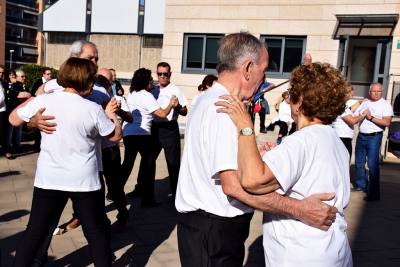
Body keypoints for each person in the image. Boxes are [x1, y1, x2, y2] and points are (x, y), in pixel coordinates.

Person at [175, 32, 338, 267]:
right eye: (263, 69)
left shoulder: (207, 98)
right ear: (248, 68)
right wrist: (301, 210)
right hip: (214, 232)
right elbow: (233, 186)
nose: (265, 77)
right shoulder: (226, 109)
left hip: (205, 229)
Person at [216, 61, 352, 266]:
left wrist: (245, 126)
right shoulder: (335, 141)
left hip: (301, 254)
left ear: (301, 100)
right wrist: (273, 159)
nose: (289, 101)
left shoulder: (301, 141)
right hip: (333, 250)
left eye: (291, 94)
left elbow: (252, 180)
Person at [10, 57, 122, 267]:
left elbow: (13, 119)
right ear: (84, 81)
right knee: (95, 232)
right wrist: (111, 114)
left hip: (49, 178)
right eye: (91, 80)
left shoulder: (45, 100)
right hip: (84, 181)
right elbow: (114, 136)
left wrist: (35, 103)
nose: (93, 84)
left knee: (35, 231)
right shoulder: (91, 108)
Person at [128, 62, 188, 202]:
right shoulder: (151, 89)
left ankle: (175, 194)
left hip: (169, 128)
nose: (162, 77)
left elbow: (184, 111)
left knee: (173, 163)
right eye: (160, 74)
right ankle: (141, 189)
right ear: (156, 74)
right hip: (153, 129)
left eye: (165, 74)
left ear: (170, 74)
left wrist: (177, 105)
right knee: (147, 161)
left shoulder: (176, 90)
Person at [353, 82, 393, 201]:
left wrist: (371, 117)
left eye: (378, 91)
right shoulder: (365, 103)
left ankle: (374, 193)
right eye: (373, 91)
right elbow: (354, 115)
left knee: (372, 165)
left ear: (382, 92)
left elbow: (387, 122)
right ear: (369, 92)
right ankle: (361, 186)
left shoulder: (385, 105)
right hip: (361, 136)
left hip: (374, 137)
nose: (376, 93)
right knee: (359, 163)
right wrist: (359, 102)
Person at [332, 84, 368, 159]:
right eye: (349, 91)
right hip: (342, 137)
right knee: (344, 161)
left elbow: (350, 110)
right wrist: (364, 114)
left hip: (343, 137)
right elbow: (352, 121)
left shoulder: (342, 106)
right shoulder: (341, 106)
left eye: (352, 90)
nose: (352, 92)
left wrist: (359, 102)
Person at [6, 70, 31, 154]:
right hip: (11, 110)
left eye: (25, 76)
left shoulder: (22, 86)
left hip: (21, 111)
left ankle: (17, 145)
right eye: (22, 76)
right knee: (10, 129)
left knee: (18, 129)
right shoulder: (11, 85)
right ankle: (9, 147)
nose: (24, 78)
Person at [31, 68, 53, 147]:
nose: (50, 76)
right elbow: (34, 94)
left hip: (49, 106)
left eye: (50, 74)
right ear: (43, 74)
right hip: (39, 106)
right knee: (39, 124)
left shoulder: (52, 82)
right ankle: (37, 143)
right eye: (47, 74)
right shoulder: (38, 82)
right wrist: (45, 93)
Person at [0, 65, 14, 159]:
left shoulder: (1, 83)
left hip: (1, 110)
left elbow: (1, 98)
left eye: (2, 73)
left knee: (1, 130)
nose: (1, 74)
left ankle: (7, 150)